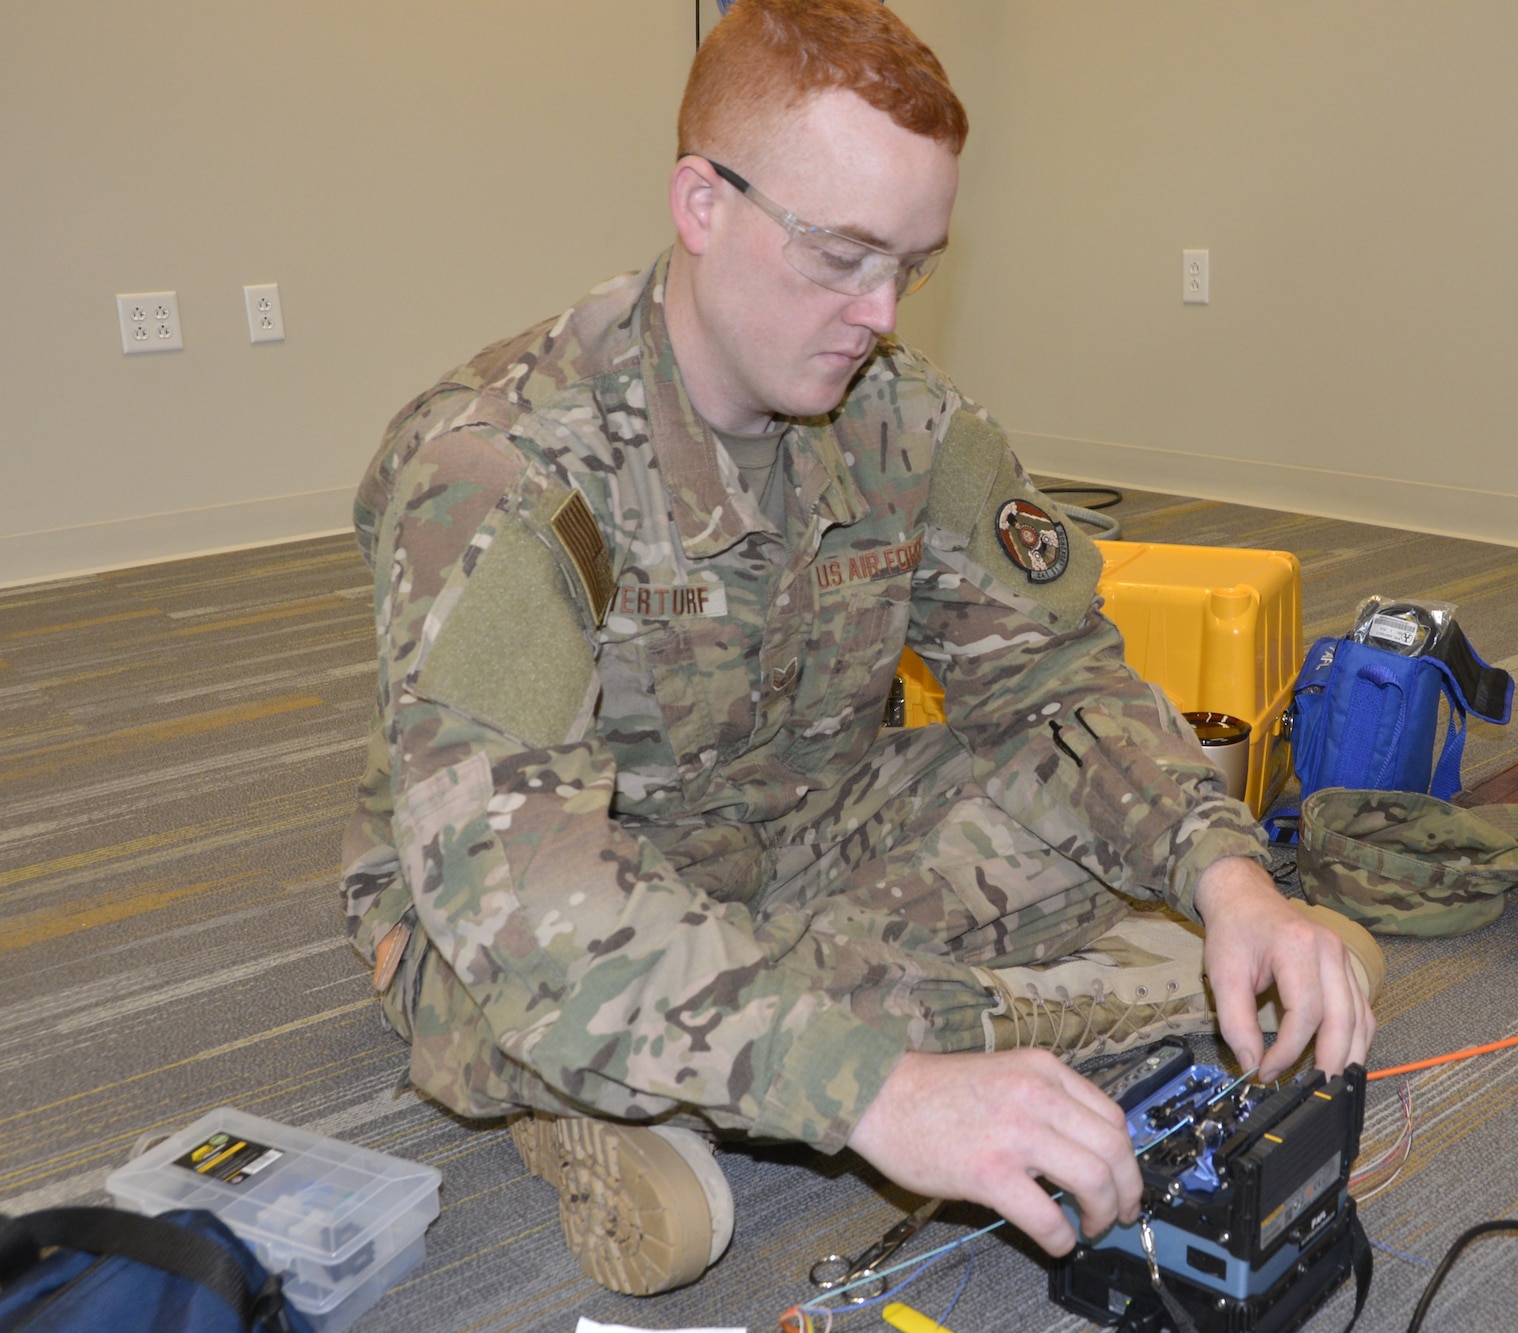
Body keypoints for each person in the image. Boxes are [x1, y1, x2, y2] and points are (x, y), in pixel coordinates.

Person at [341, 0, 1385, 1297]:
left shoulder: (902, 418)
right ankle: (726, 1071)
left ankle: (774, 1048)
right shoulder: (503, 473)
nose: (879, 310)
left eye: (913, 263)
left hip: (797, 829)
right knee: (540, 980)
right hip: (523, 900)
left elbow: (1054, 680)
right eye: (840, 255)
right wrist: (876, 1089)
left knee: (1095, 796)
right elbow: (519, 887)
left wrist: (1231, 880)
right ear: (700, 205)